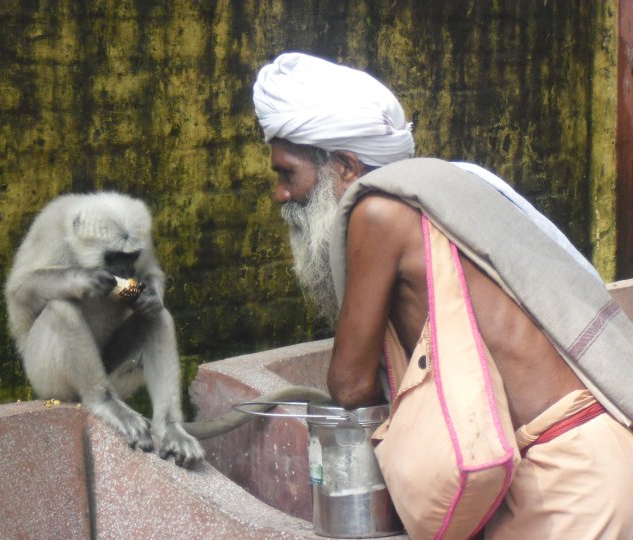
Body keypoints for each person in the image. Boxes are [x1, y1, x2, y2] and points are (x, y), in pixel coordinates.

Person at [252, 52, 633, 538]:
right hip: (588, 454)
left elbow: (349, 386)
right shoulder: (444, 188)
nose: (281, 194)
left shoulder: (378, 212)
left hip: (566, 477)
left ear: (345, 165)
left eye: (287, 174)